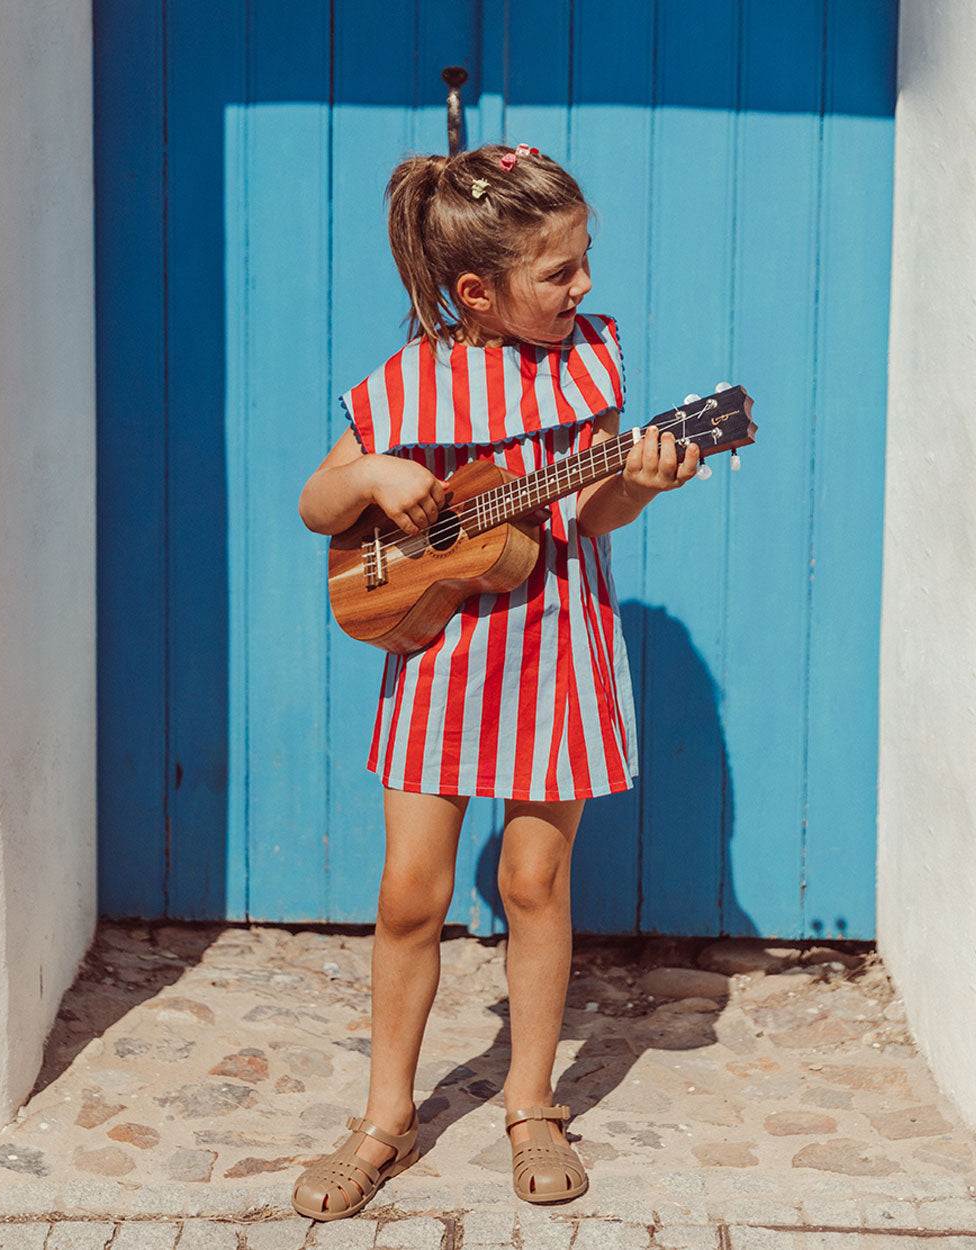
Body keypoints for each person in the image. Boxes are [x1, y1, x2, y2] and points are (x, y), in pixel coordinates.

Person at [291, 142, 700, 1221]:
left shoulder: (588, 363)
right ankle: (386, 1115)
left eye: (583, 261)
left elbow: (591, 509)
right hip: (435, 657)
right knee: (409, 892)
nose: (584, 286)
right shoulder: (406, 380)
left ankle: (530, 1101)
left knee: (531, 881)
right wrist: (373, 474)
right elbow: (318, 504)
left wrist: (639, 485)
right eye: (559, 271)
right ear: (478, 290)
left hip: (556, 645)